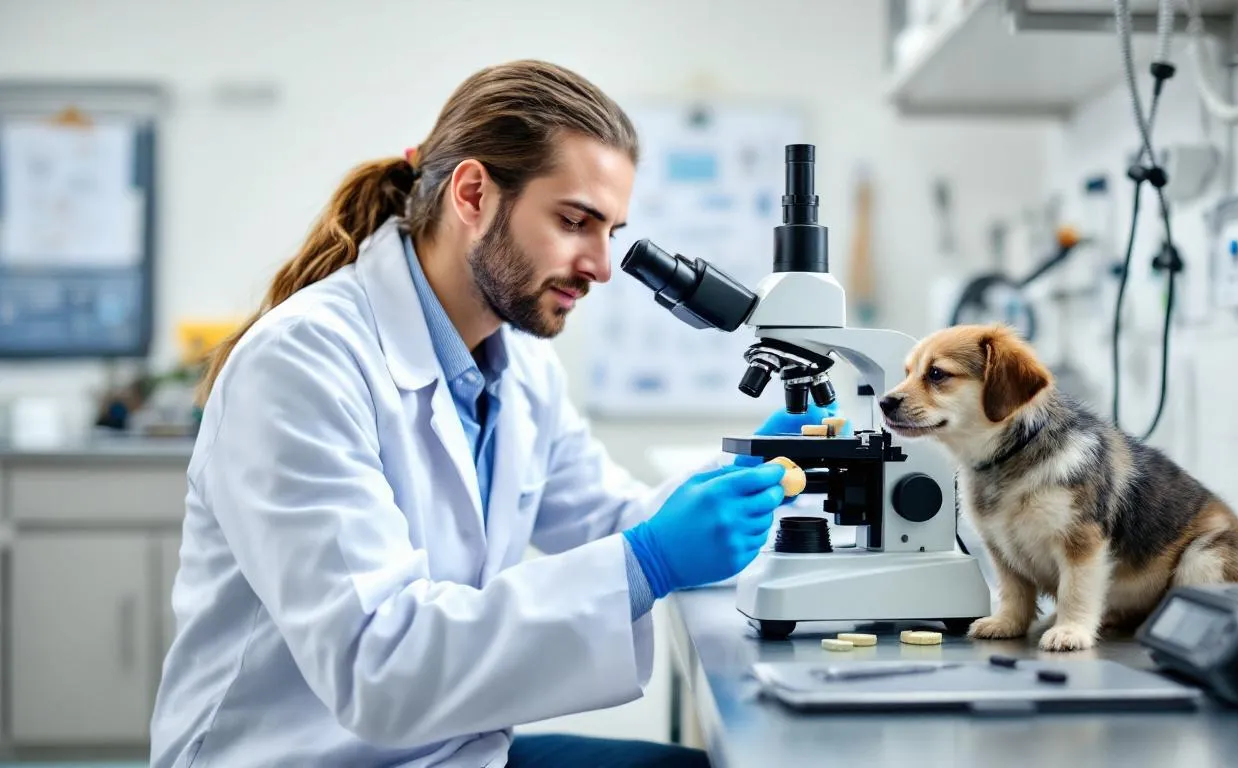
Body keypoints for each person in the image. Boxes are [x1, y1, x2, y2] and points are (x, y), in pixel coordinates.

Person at [149, 59, 837, 768]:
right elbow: (378, 660)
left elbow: (610, 519)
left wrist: (751, 475)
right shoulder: (301, 363)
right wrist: (650, 560)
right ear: (473, 194)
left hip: (448, 748)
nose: (601, 266)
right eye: (575, 221)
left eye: (610, 231)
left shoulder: (520, 364)